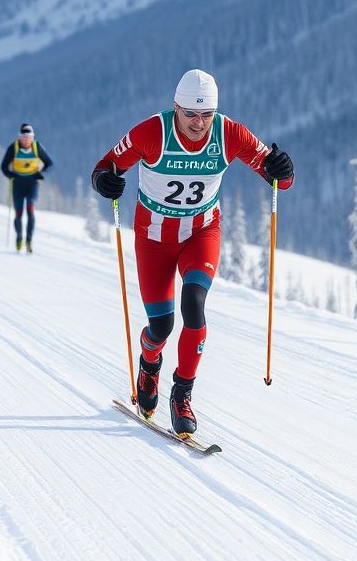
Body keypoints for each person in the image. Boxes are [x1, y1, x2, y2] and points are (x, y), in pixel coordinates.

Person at [91, 69, 294, 437]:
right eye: (190, 115)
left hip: (201, 232)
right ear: (176, 109)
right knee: (161, 326)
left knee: (194, 305)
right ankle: (149, 365)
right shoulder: (152, 132)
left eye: (207, 115)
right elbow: (105, 167)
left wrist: (283, 169)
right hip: (154, 238)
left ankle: (182, 393)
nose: (199, 124)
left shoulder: (229, 133)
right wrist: (105, 181)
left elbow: (276, 174)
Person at [0, 123, 53, 253]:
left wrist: (41, 172)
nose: (26, 140)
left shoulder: (37, 147)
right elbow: (3, 166)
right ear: (19, 137)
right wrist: (10, 175)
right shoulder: (14, 147)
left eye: (28, 137)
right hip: (17, 183)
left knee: (30, 210)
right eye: (23, 137)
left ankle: (28, 241)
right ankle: (19, 237)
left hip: (32, 183)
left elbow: (49, 163)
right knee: (18, 214)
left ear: (32, 137)